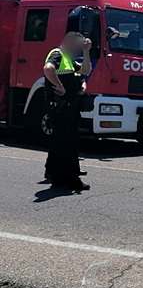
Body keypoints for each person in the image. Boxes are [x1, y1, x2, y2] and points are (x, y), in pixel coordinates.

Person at [43, 32, 92, 191]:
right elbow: (48, 68)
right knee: (68, 142)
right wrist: (60, 86)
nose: (78, 49)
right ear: (68, 42)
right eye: (78, 46)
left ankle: (56, 176)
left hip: (68, 106)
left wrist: (86, 52)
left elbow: (85, 71)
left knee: (60, 141)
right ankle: (72, 179)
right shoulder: (57, 54)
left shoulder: (68, 59)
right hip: (61, 106)